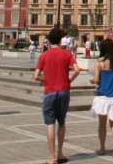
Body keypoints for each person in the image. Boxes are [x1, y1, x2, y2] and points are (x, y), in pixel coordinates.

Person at [34, 28, 81, 164]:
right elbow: (77, 70)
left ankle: (51, 157)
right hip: (64, 90)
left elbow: (36, 76)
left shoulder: (44, 55)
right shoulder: (66, 54)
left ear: (49, 40)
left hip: (49, 91)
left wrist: (45, 80)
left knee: (50, 123)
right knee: (61, 122)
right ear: (60, 40)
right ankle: (60, 153)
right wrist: (70, 80)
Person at [89, 38, 113, 159]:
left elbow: (96, 80)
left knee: (102, 124)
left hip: (102, 97)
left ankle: (102, 148)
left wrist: (91, 80)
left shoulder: (99, 62)